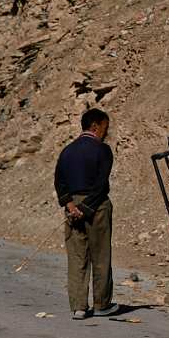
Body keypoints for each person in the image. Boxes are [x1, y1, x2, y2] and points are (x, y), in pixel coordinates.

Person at [54, 108, 118, 320]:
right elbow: (101, 185)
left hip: (72, 208)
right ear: (95, 126)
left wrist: (71, 206)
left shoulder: (67, 151)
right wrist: (85, 208)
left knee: (77, 257)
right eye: (105, 128)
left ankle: (79, 307)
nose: (106, 133)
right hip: (96, 206)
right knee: (100, 255)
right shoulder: (103, 150)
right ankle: (101, 304)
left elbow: (59, 183)